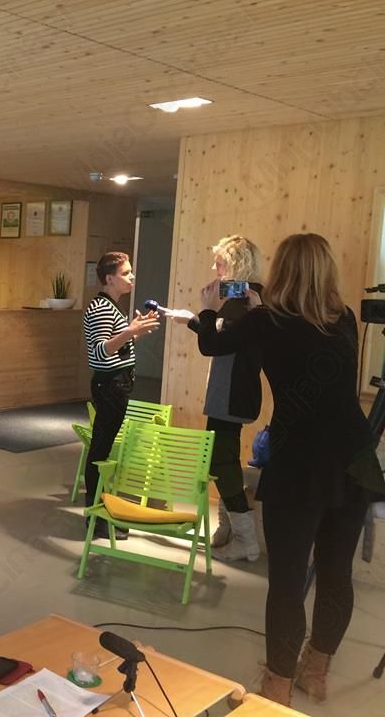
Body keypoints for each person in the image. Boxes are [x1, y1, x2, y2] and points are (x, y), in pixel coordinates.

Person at [190, 233, 385, 706]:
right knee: (336, 573)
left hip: (298, 462)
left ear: (282, 271)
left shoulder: (266, 320)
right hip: (355, 458)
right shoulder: (343, 318)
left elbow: (212, 345)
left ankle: (276, 689)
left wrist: (209, 309)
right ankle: (315, 673)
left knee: (287, 580)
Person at [169, 235, 265, 561]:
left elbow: (212, 345)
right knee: (223, 460)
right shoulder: (246, 298)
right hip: (232, 392)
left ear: (237, 264)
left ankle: (245, 540)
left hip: (232, 394)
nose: (214, 269)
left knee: (221, 462)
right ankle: (228, 530)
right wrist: (193, 320)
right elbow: (223, 339)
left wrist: (206, 311)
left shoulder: (245, 301)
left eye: (220, 263)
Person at [81, 252, 160, 539]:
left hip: (116, 385)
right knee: (100, 451)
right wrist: (129, 331)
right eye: (125, 273)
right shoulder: (102, 308)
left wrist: (134, 333)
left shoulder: (109, 305)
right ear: (109, 278)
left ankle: (99, 512)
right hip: (110, 386)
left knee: (101, 449)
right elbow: (101, 351)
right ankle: (95, 516)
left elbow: (117, 347)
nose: (131, 277)